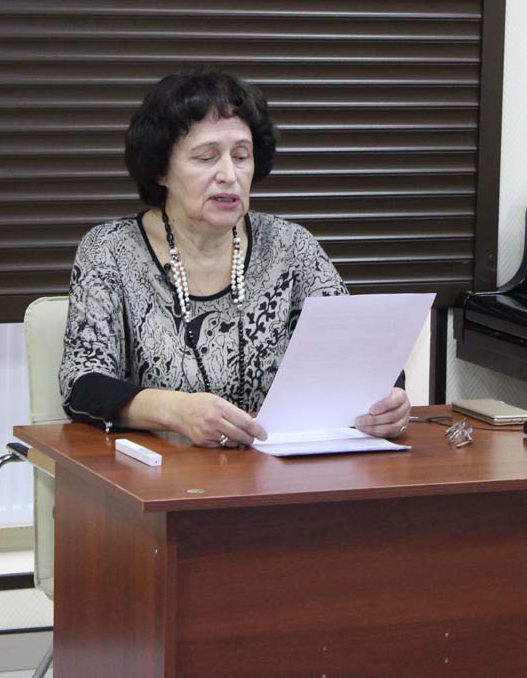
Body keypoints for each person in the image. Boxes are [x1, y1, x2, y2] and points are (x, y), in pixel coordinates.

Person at [58, 68, 410, 447]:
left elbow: (362, 354)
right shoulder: (110, 249)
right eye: (206, 157)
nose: (229, 174)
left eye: (241, 156)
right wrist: (176, 411)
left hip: (276, 468)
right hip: (161, 470)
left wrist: (388, 401)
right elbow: (82, 383)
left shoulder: (290, 246)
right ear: (161, 170)